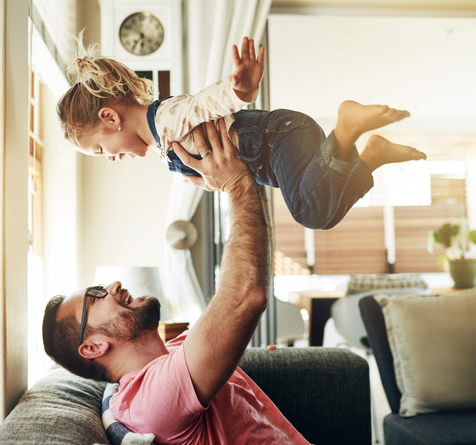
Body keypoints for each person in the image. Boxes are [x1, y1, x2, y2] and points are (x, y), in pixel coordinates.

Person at [42, 119, 310, 444]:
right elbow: (242, 297)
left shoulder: (173, 353)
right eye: (96, 296)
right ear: (94, 347)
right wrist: (238, 183)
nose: (111, 285)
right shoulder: (148, 400)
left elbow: (229, 313)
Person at [56, 35, 426, 230]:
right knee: (321, 214)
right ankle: (371, 156)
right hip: (275, 153)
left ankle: (347, 130)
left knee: (310, 212)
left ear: (109, 118)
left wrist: (240, 91)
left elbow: (203, 104)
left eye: (103, 151)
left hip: (278, 137)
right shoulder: (159, 144)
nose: (113, 158)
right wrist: (207, 182)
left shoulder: (165, 118)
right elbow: (209, 173)